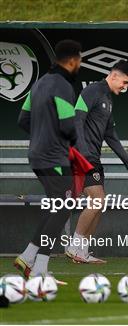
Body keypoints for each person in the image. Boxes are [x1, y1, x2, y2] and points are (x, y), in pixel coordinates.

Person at [14, 40, 82, 278]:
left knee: (57, 206)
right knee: (64, 207)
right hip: (54, 157)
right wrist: (70, 142)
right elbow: (67, 126)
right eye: (80, 60)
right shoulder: (64, 86)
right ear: (73, 60)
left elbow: (23, 120)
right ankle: (39, 268)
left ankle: (27, 256)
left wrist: (42, 135)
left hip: (36, 155)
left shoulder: (39, 83)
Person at [65, 60, 128, 264]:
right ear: (113, 76)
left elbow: (110, 134)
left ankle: (83, 252)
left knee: (99, 204)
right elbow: (77, 119)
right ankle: (74, 246)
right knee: (97, 200)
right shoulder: (91, 91)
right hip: (81, 156)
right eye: (124, 82)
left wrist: (125, 158)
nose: (125, 87)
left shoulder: (108, 99)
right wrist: (83, 150)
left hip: (93, 158)